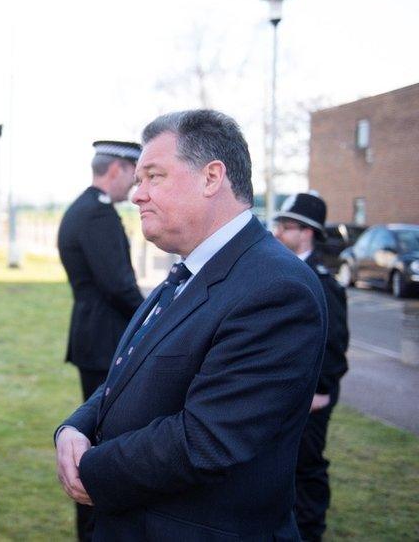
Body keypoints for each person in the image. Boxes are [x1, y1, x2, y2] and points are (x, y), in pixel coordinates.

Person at [55, 109, 327, 540]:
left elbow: (206, 438)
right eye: (138, 179)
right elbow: (132, 374)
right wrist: (76, 427)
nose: (137, 195)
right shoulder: (194, 268)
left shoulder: (275, 289)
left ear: (211, 177)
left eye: (154, 177)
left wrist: (91, 468)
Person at [56, 140, 144, 540]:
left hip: (95, 332)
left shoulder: (87, 207)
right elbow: (118, 284)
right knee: (102, 440)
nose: (137, 181)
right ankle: (94, 528)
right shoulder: (97, 214)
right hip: (105, 335)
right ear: (117, 169)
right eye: (135, 172)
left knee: (98, 435)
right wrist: (151, 319)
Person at [273, 192, 349, 542]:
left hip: (311, 399)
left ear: (306, 232)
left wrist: (319, 391)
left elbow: (334, 345)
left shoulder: (321, 281)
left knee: (307, 468)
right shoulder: (288, 270)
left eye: (284, 227)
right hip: (291, 394)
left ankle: (310, 532)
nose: (276, 233)